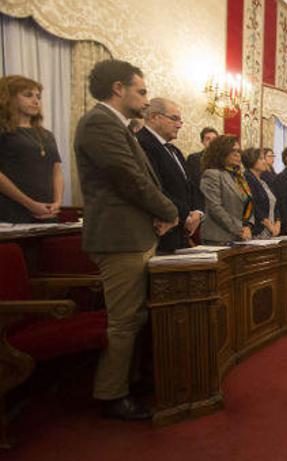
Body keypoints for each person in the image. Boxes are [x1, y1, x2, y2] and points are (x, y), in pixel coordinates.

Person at [74, 59, 178, 420]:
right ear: (119, 88)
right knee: (123, 322)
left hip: (135, 234)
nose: (146, 100)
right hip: (119, 237)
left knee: (134, 319)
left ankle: (128, 382)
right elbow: (128, 178)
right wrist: (170, 211)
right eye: (142, 90)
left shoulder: (120, 126)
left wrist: (159, 212)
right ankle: (112, 394)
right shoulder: (99, 123)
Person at [136, 98, 203, 252]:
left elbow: (191, 186)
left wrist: (198, 213)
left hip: (181, 232)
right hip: (159, 232)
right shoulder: (141, 143)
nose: (179, 125)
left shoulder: (175, 151)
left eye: (180, 120)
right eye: (174, 119)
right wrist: (185, 215)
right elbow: (154, 187)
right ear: (154, 117)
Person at [0, 75, 63, 223]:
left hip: (47, 212)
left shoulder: (46, 134)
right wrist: (30, 204)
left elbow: (57, 171)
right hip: (11, 212)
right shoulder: (3, 130)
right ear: (9, 98)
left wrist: (57, 203)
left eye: (38, 96)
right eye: (28, 95)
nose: (36, 101)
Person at [199, 135, 255, 244]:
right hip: (218, 238)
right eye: (232, 151)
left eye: (239, 151)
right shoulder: (212, 174)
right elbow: (215, 208)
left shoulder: (239, 176)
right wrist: (240, 229)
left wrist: (248, 226)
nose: (237, 154)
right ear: (220, 152)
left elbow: (249, 203)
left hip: (240, 236)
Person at [242, 147, 280, 239]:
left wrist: (277, 223)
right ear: (251, 160)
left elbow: (275, 203)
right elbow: (253, 205)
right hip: (258, 230)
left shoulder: (263, 181)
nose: (265, 162)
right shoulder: (247, 178)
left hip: (270, 230)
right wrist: (269, 225)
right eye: (261, 159)